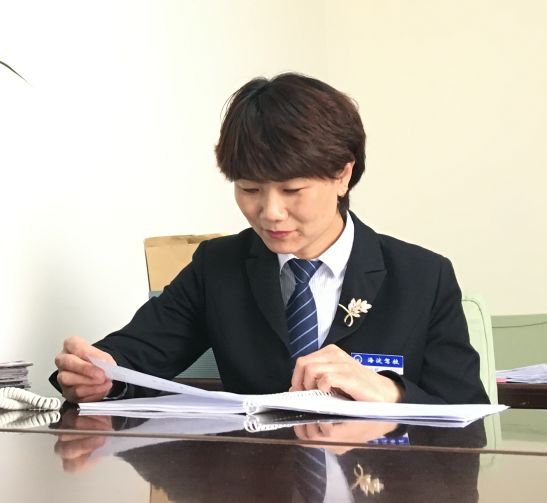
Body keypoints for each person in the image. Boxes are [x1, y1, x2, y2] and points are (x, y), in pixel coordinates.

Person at [51, 73, 489, 405]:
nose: (270, 212)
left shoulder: (422, 276)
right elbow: (136, 354)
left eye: (292, 190)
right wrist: (99, 373)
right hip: (256, 479)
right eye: (249, 189)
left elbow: (469, 413)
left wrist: (390, 392)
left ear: (343, 174)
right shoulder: (218, 266)